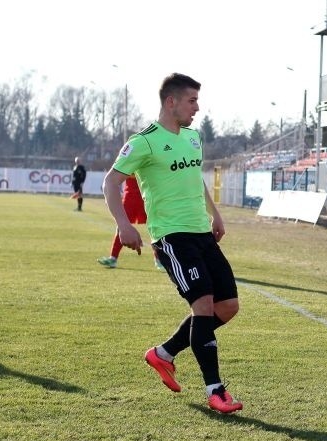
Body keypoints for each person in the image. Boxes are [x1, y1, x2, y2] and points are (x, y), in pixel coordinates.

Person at [102, 73, 243, 414]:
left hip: (201, 233)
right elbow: (110, 182)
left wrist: (216, 214)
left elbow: (196, 180)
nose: (197, 107)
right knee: (204, 306)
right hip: (171, 237)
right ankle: (216, 391)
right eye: (192, 101)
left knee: (228, 306)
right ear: (171, 102)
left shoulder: (193, 138)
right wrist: (124, 225)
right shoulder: (144, 142)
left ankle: (162, 354)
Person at [97, 175, 164, 270]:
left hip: (147, 196)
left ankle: (159, 260)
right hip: (130, 197)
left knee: (156, 226)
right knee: (121, 226)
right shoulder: (126, 160)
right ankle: (113, 258)